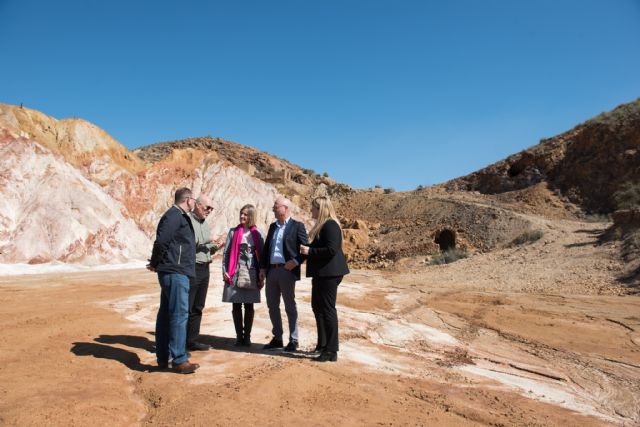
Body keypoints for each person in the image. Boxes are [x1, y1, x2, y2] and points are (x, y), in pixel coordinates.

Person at [147, 187, 200, 374]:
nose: (194, 202)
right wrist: (155, 262)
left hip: (173, 270)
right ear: (187, 200)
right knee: (179, 314)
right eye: (193, 199)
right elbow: (162, 241)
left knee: (166, 315)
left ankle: (163, 357)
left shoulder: (177, 215)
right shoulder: (174, 215)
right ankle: (179, 359)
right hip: (175, 272)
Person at [299, 196, 349, 362]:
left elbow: (331, 249)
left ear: (320, 209)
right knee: (318, 307)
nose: (311, 210)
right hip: (322, 273)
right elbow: (318, 247)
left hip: (329, 274)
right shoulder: (323, 226)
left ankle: (331, 351)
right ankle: (323, 344)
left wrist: (309, 252)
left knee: (327, 309)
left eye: (313, 208)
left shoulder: (330, 225)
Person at [259, 197, 309, 351]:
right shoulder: (273, 227)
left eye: (276, 206)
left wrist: (295, 261)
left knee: (289, 306)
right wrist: (262, 268)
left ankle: (293, 339)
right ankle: (277, 337)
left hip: (287, 271)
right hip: (272, 271)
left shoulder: (297, 226)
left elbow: (305, 248)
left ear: (285, 208)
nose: (273, 209)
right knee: (272, 305)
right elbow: (267, 249)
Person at [222, 204, 264, 346]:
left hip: (252, 272)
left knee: (249, 306)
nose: (242, 216)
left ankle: (247, 337)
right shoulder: (233, 232)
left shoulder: (257, 234)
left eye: (245, 214)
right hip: (235, 271)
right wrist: (225, 270)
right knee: (236, 305)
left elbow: (262, 255)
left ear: (251, 216)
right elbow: (227, 253)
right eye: (241, 214)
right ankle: (239, 337)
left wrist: (262, 272)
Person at [186, 194, 223, 352]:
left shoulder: (204, 223)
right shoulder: (188, 221)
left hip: (204, 268)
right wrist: (209, 239)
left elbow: (204, 248)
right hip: (192, 267)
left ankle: (192, 341)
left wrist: (217, 246)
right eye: (208, 208)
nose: (210, 211)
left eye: (212, 209)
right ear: (198, 205)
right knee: (187, 307)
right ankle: (180, 343)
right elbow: (190, 243)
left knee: (198, 306)